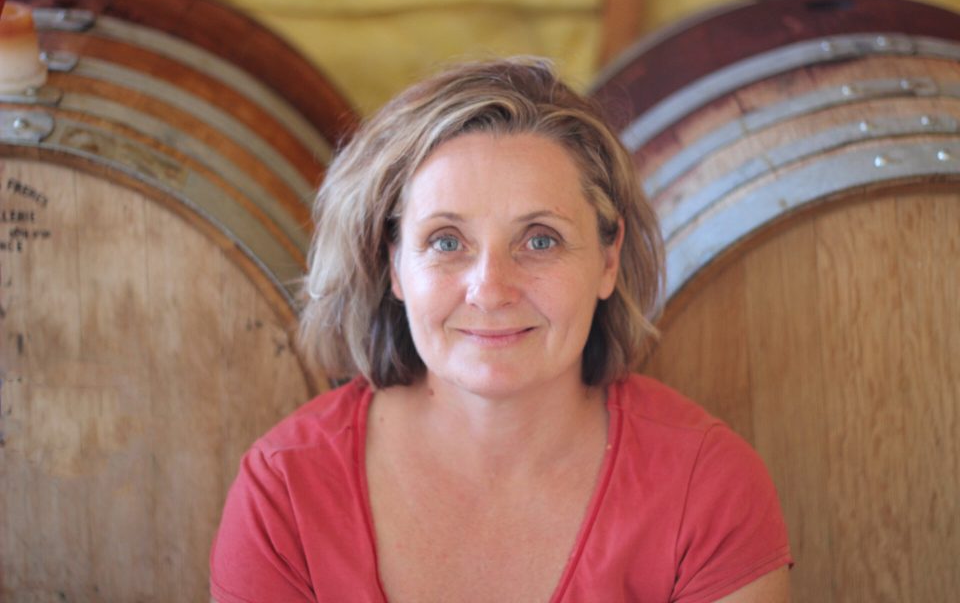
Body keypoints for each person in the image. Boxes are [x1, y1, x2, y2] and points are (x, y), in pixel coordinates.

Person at [209, 57, 792, 602]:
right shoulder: (285, 488)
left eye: (540, 239)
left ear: (607, 261)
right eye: (446, 241)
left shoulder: (709, 487)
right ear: (394, 266)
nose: (490, 289)